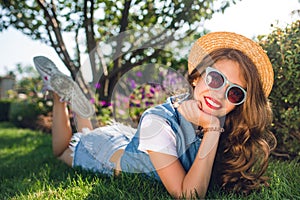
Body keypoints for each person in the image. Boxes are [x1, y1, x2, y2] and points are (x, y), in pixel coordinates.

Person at [33, 32, 276, 198]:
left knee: (88, 131)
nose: (220, 94)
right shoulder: (158, 122)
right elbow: (188, 194)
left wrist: (212, 127)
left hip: (128, 141)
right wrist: (212, 130)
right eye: (215, 79)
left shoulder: (226, 122)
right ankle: (60, 98)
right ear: (196, 77)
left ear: (240, 103)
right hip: (107, 155)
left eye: (234, 93)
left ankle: (79, 103)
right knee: (64, 150)